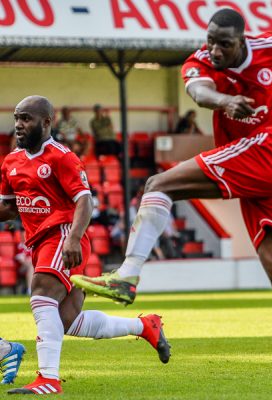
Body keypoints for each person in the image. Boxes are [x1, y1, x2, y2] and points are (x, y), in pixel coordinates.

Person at [71, 10, 272, 399]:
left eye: (223, 43)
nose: (214, 49)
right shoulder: (202, 60)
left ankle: (128, 274)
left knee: (158, 184)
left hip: (267, 150)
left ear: (241, 41)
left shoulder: (271, 47)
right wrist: (224, 100)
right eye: (210, 40)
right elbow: (198, 92)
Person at [3, 96, 170, 395]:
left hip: (63, 234)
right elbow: (8, 208)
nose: (19, 124)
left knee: (41, 293)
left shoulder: (61, 157)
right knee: (66, 321)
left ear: (46, 122)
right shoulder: (11, 161)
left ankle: (48, 379)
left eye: (26, 118)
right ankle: (145, 326)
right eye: (17, 118)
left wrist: (73, 238)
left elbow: (84, 200)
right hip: (39, 242)